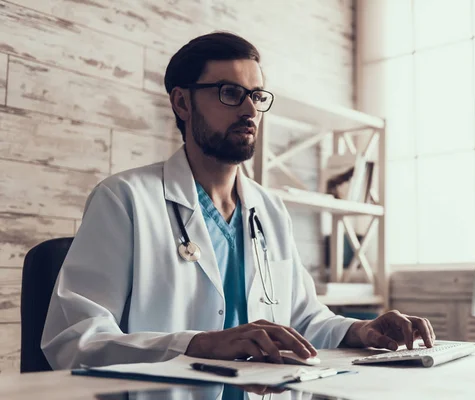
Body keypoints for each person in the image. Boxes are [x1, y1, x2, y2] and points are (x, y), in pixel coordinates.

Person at [41, 31, 435, 371]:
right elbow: (75, 339)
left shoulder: (269, 210)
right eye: (230, 93)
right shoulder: (125, 199)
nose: (249, 110)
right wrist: (197, 345)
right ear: (181, 103)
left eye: (257, 95)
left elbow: (304, 320)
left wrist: (361, 330)